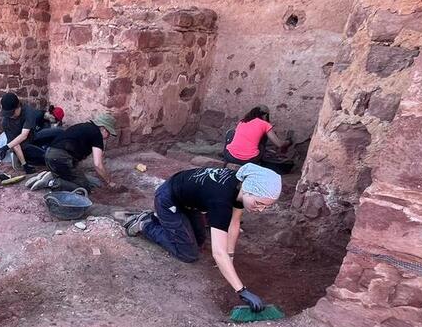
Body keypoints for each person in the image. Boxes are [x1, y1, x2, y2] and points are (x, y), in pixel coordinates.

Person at [122, 164, 282, 312]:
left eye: (265, 206)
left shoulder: (240, 188)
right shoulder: (221, 200)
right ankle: (145, 224)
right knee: (188, 254)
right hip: (168, 199)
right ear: (249, 190)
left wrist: (230, 256)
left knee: (199, 241)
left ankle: (164, 221)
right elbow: (218, 253)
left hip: (189, 202)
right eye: (259, 203)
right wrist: (242, 291)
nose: (261, 210)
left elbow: (234, 223)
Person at [38, 112, 117, 191]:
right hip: (60, 158)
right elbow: (98, 164)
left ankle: (49, 176)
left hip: (50, 154)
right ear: (103, 128)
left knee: (93, 182)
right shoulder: (97, 134)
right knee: (84, 189)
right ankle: (52, 182)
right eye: (109, 133)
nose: (108, 136)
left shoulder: (86, 127)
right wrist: (109, 181)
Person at [0, 92, 49, 170]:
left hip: (32, 136)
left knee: (58, 133)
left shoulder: (28, 112)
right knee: (45, 157)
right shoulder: (6, 121)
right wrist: (24, 165)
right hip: (23, 146)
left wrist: (5, 147)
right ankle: (25, 159)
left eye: (12, 113)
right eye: (8, 114)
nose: (10, 116)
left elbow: (24, 135)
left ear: (18, 107)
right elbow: (15, 143)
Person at [222, 106, 287, 166]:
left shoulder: (242, 122)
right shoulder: (265, 124)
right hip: (249, 160)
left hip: (230, 157)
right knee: (263, 138)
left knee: (231, 133)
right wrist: (288, 142)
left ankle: (225, 160)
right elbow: (279, 144)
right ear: (265, 115)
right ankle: (260, 162)